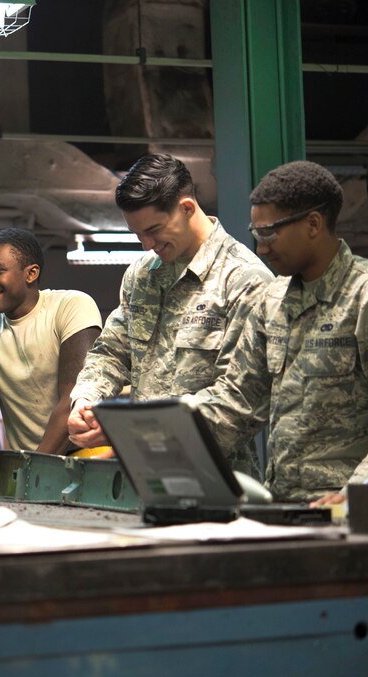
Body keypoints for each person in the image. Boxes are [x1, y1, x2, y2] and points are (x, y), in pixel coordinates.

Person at [189, 160, 368, 503]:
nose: (261, 248)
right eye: (256, 234)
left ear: (313, 224)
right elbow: (236, 402)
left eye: (269, 233)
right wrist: (157, 432)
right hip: (286, 506)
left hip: (353, 512)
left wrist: (359, 494)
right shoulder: (271, 301)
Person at [67, 154, 273, 475]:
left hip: (215, 482)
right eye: (137, 235)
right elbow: (111, 353)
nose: (147, 244)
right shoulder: (142, 275)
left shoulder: (244, 281)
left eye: (154, 230)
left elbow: (242, 400)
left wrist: (132, 430)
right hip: (143, 474)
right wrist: (86, 400)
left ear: (187, 208)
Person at [0, 228, 102, 492]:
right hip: (27, 464)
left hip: (87, 458)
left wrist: (30, 473)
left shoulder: (71, 307)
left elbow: (73, 399)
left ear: (31, 274)